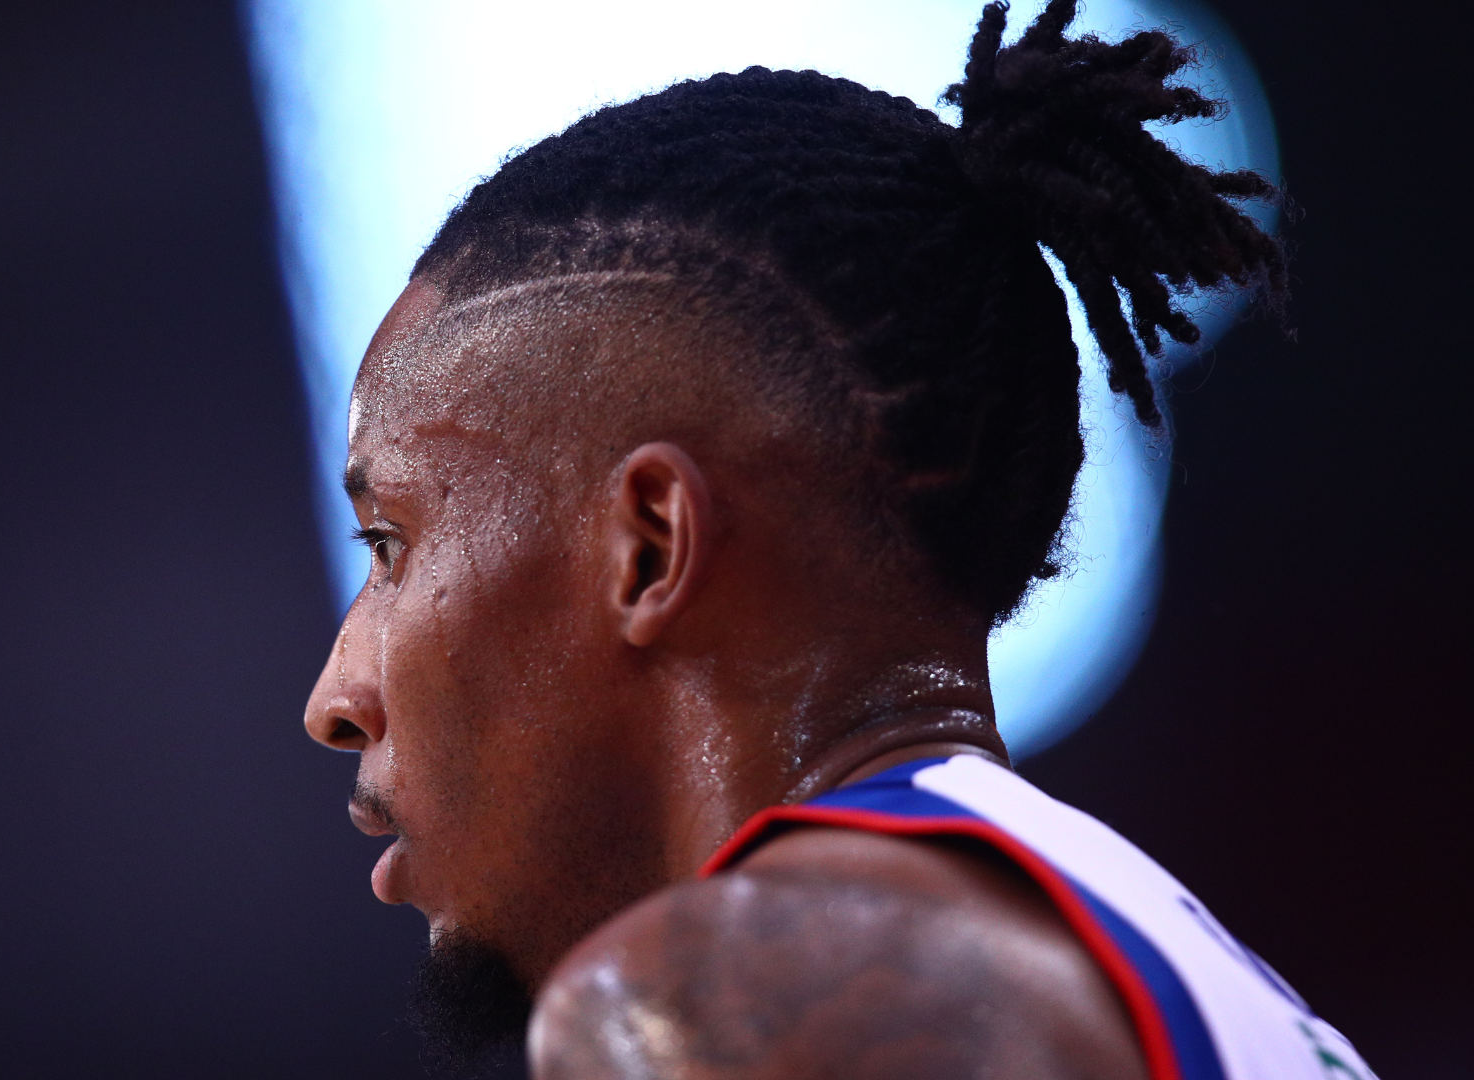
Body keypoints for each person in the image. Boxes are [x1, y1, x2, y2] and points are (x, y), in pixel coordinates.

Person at [302, 2, 1374, 1076]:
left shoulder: (729, 998)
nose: (334, 701)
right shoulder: (1184, 966)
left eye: (390, 545)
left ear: (649, 547)